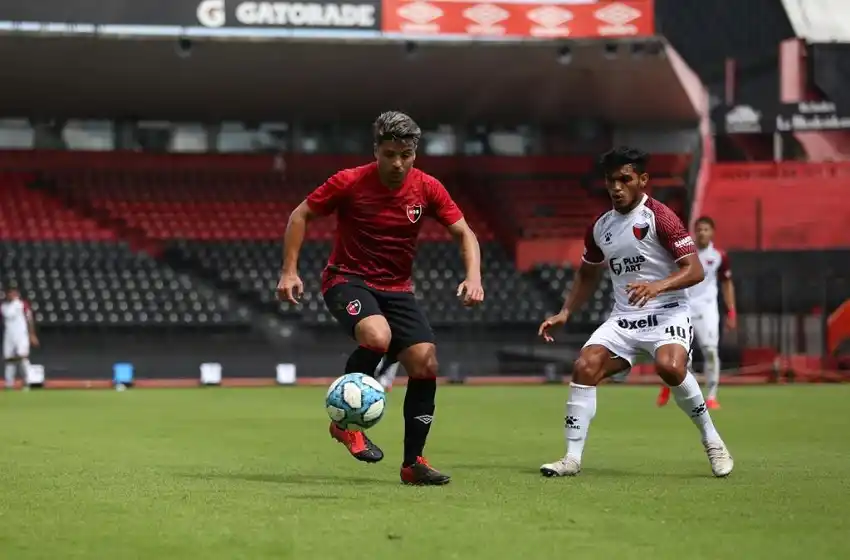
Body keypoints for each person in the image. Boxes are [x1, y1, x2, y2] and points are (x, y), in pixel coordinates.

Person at [276, 111, 484, 485]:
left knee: (425, 362)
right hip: (347, 280)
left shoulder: (428, 188)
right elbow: (300, 215)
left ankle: (413, 463)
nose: (397, 163)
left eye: (405, 154)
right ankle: (346, 425)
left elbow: (464, 233)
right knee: (377, 337)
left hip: (397, 289)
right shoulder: (350, 181)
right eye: (389, 154)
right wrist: (289, 271)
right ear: (376, 151)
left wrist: (474, 277)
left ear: (415, 152)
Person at [537, 147, 733, 478]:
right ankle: (571, 459)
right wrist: (565, 312)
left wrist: (657, 287)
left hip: (668, 312)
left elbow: (695, 270)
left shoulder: (661, 217)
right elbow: (588, 273)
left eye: (624, 179)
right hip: (624, 319)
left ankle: (712, 439)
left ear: (642, 180)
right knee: (584, 366)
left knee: (669, 368)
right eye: (610, 180)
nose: (616, 187)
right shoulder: (601, 227)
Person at [657, 216, 737, 409]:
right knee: (683, 354)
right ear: (694, 232)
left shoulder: (719, 256)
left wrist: (731, 311)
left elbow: (726, 283)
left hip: (707, 308)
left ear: (712, 232)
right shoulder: (684, 253)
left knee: (710, 350)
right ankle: (676, 386)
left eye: (706, 229)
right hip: (683, 307)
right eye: (699, 229)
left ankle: (711, 395)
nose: (702, 233)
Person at [2, 287, 38, 390]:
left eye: (12, 293)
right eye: (8, 293)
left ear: (16, 293)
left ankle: (28, 381)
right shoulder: (3, 307)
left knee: (23, 358)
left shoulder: (22, 304)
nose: (10, 295)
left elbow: (29, 319)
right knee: (9, 360)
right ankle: (9, 383)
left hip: (21, 335)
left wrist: (32, 334)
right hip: (9, 336)